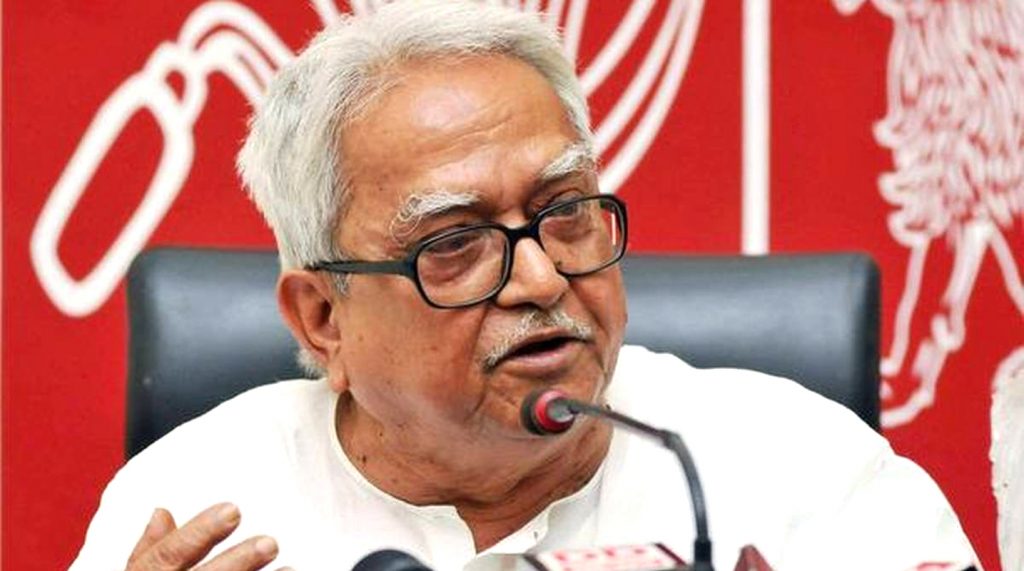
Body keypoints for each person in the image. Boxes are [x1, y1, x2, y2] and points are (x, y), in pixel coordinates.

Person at [71, 2, 978, 570]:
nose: (541, 276)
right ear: (323, 319)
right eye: (456, 243)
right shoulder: (199, 501)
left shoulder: (802, 473)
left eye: (566, 211)